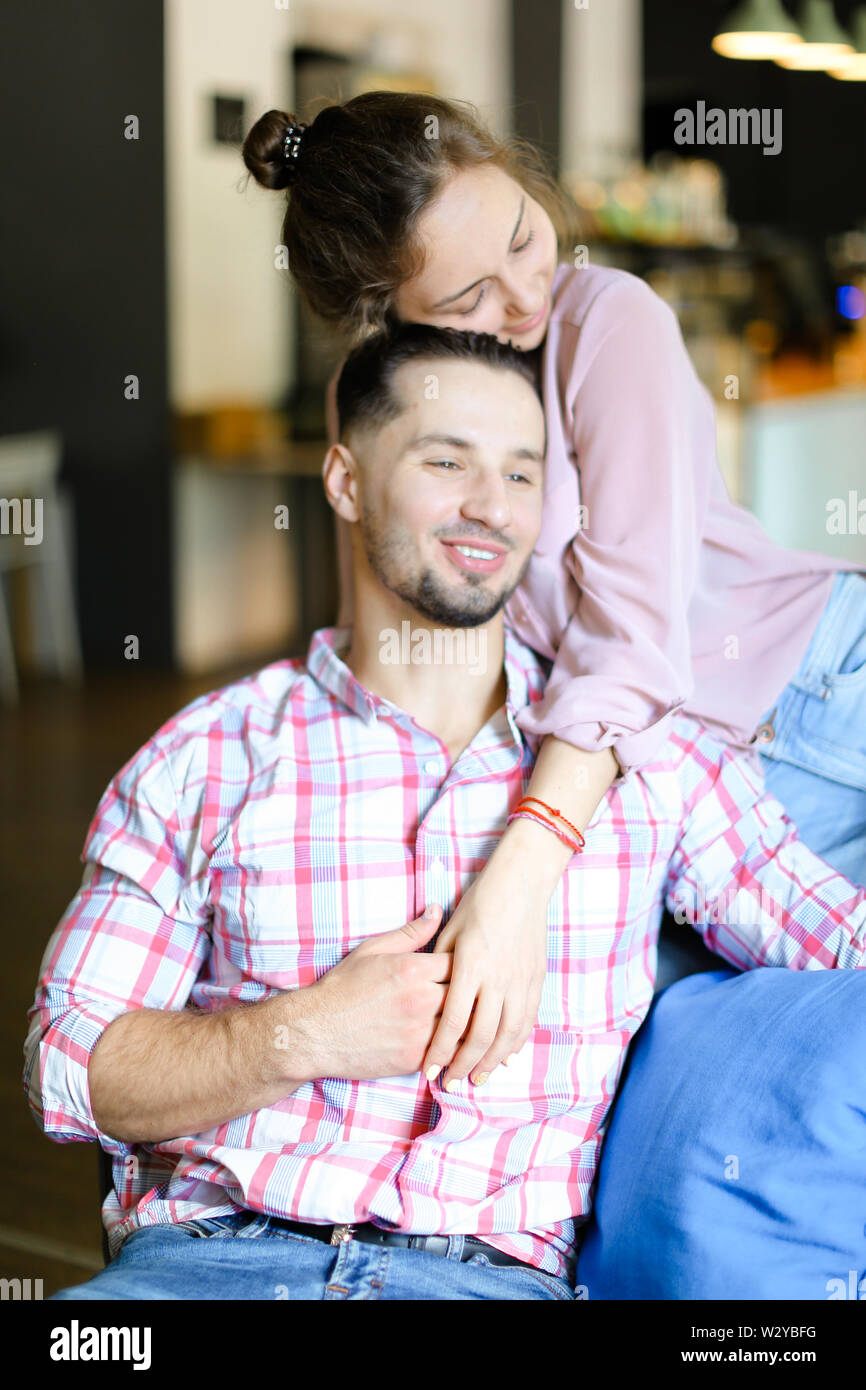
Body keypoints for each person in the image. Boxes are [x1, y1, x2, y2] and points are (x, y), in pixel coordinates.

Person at [26, 324, 866, 1302]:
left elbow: (833, 932)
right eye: (444, 461)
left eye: (521, 476)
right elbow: (71, 1071)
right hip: (208, 1266)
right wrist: (302, 1035)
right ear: (342, 480)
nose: (490, 508)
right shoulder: (206, 757)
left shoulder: (648, 764)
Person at [241, 93, 866, 1100]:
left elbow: (629, 644)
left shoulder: (605, 323)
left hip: (801, 696)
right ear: (383, 321)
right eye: (466, 302)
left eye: (523, 238)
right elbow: (401, 637)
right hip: (638, 755)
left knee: (732, 1049)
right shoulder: (378, 399)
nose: (524, 299)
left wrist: (517, 876)